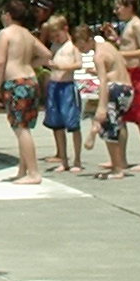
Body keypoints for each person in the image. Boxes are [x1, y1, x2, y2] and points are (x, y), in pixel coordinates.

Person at [0, 0, 52, 184]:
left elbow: (0, 61)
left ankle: (33, 173)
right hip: (30, 80)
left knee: (21, 128)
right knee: (23, 125)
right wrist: (29, 64)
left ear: (8, 14)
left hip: (16, 82)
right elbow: (47, 55)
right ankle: (23, 169)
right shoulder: (27, 34)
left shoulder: (6, 33)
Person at [107, 0, 140, 171]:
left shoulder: (137, 25)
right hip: (127, 74)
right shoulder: (128, 25)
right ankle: (120, 160)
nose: (116, 11)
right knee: (121, 117)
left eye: (118, 7)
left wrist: (119, 54)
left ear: (129, 7)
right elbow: (128, 45)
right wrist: (117, 40)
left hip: (139, 75)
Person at [79, 23, 134, 179]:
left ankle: (117, 169)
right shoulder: (108, 46)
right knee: (118, 125)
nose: (80, 50)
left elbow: (103, 82)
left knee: (108, 127)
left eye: (81, 46)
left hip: (115, 90)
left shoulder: (98, 56)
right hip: (127, 89)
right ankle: (120, 161)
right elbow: (119, 67)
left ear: (89, 40)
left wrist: (101, 108)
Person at [40, 14, 83, 172]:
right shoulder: (54, 47)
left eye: (57, 35)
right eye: (52, 36)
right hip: (54, 86)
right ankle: (63, 159)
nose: (55, 38)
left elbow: (78, 64)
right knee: (57, 125)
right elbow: (49, 61)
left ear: (65, 29)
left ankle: (77, 159)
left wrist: (64, 67)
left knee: (72, 124)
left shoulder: (72, 47)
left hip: (67, 87)